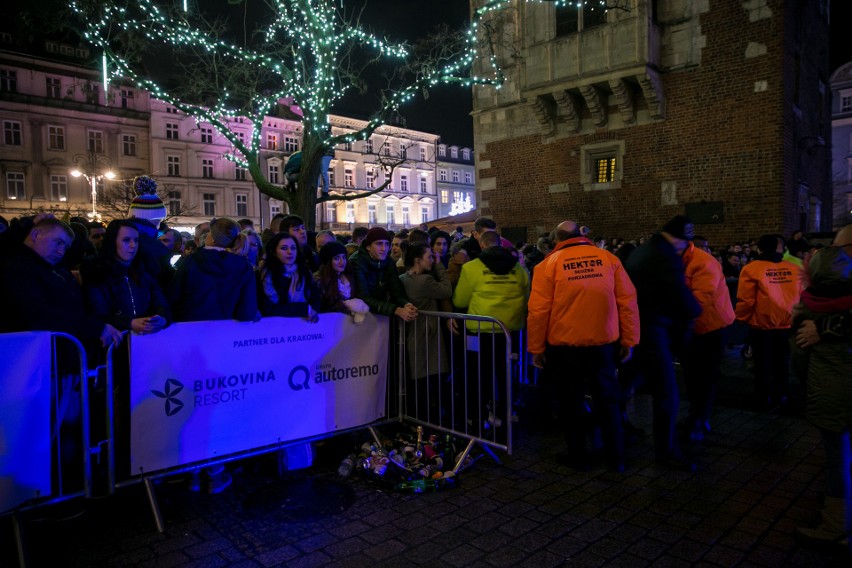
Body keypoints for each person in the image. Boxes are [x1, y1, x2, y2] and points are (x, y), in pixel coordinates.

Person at [527, 221, 639, 472]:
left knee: (571, 403)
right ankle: (616, 456)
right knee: (608, 401)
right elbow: (628, 302)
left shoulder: (547, 266)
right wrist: (628, 340)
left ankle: (578, 454)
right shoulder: (607, 258)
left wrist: (536, 348)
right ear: (581, 236)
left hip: (565, 347)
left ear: (556, 240)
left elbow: (538, 311)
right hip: (603, 344)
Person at [625, 215, 701, 472]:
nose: (685, 248)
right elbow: (678, 294)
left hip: (635, 329)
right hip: (652, 331)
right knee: (667, 392)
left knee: (624, 384)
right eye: (685, 242)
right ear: (678, 237)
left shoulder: (641, 251)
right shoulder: (664, 256)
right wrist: (694, 311)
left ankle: (615, 430)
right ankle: (666, 450)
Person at [792, 225, 852, 548]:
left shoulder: (814, 305)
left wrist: (821, 329)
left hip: (834, 391)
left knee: (837, 455)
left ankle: (836, 524)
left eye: (838, 247)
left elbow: (799, 356)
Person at [452, 229, 529, 433]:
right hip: (510, 331)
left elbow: (459, 300)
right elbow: (527, 295)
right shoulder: (519, 269)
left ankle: (479, 417)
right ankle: (506, 413)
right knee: (506, 374)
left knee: (479, 375)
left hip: (480, 330)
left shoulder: (471, 268)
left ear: (482, 245)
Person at [735, 234, 802, 412]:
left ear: (760, 248)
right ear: (778, 248)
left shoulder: (751, 269)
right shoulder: (793, 268)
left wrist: (741, 319)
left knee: (762, 364)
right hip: (787, 324)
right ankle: (782, 394)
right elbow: (801, 296)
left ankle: (764, 398)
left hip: (762, 325)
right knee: (782, 362)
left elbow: (746, 300)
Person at [680, 232, 735, 442]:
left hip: (711, 326)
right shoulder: (681, 260)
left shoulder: (704, 263)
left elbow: (700, 299)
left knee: (704, 376)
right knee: (692, 375)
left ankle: (699, 419)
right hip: (693, 328)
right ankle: (696, 416)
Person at [169, 217, 258, 324]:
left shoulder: (192, 261)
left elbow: (173, 297)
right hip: (226, 333)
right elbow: (247, 312)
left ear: (212, 238)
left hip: (191, 330)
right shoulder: (244, 267)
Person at [399, 243, 453, 419]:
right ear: (417, 259)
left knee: (419, 380)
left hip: (413, 333)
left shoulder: (404, 278)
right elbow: (446, 290)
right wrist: (439, 266)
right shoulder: (425, 281)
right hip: (427, 334)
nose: (432, 259)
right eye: (429, 256)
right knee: (430, 378)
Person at [349, 227, 418, 322]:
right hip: (356, 316)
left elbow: (395, 289)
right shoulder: (356, 262)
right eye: (379, 244)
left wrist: (406, 304)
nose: (384, 249)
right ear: (368, 246)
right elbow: (363, 296)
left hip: (378, 312)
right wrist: (396, 310)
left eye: (386, 244)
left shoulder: (389, 262)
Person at [258, 232, 321, 321]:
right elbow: (268, 308)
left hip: (303, 327)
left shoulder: (304, 271)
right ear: (274, 252)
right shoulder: (265, 274)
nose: (289, 252)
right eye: (284, 248)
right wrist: (304, 309)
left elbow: (315, 298)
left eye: (293, 248)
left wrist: (313, 309)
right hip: (273, 328)